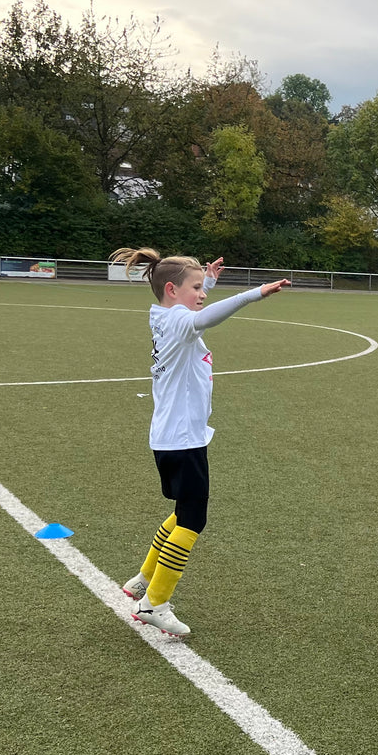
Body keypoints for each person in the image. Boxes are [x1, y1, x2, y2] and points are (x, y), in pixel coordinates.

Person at [110, 247, 290, 638]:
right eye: (195, 288)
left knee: (182, 512)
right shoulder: (179, 321)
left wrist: (204, 280)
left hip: (172, 437)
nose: (202, 294)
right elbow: (202, 318)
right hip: (182, 439)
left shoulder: (164, 315)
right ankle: (154, 603)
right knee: (193, 519)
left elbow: (191, 311)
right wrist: (255, 294)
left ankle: (144, 579)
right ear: (172, 290)